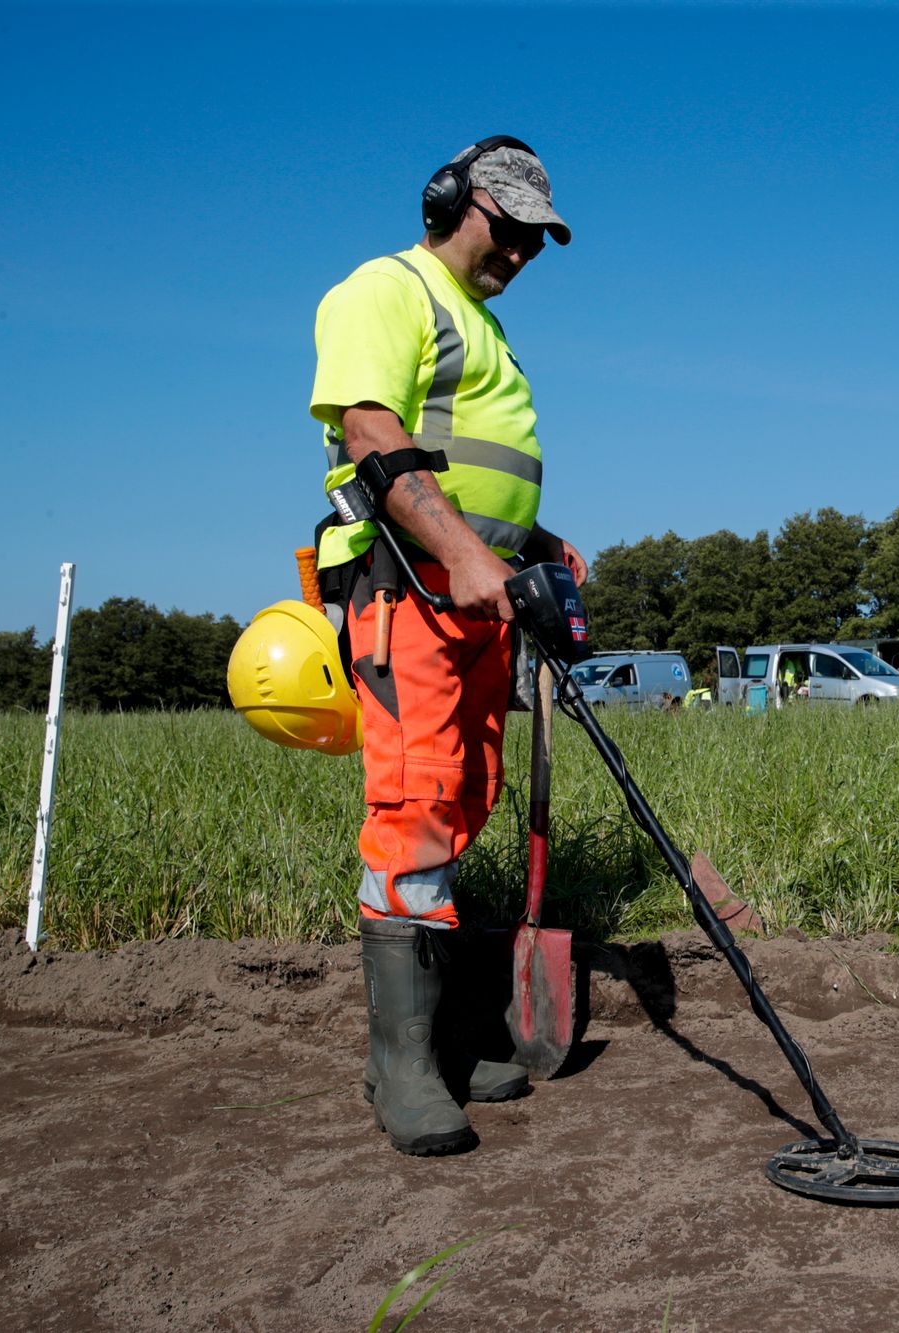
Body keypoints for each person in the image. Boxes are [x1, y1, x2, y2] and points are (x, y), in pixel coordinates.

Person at [308, 136, 586, 1158]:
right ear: (449, 202)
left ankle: (447, 1039)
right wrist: (467, 552)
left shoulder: (484, 324)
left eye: (536, 240)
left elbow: (468, 460)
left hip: (479, 593)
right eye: (507, 228)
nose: (520, 250)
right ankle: (400, 1066)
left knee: (465, 797)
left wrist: (533, 544)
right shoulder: (388, 289)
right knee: (415, 803)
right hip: (410, 585)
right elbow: (372, 435)